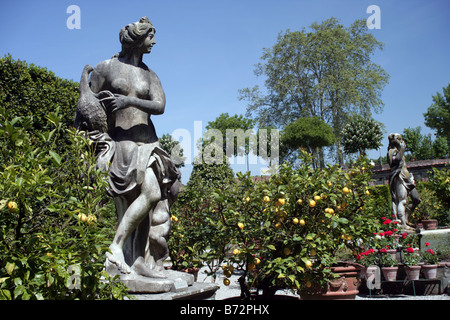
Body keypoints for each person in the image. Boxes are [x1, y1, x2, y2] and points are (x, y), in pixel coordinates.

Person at [77, 17, 180, 277]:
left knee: (153, 199)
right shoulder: (106, 68)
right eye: (150, 36)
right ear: (137, 38)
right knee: (150, 195)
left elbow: (160, 106)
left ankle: (136, 260)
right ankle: (119, 251)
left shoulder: (149, 74)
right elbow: (87, 107)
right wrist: (95, 143)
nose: (154, 42)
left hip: (149, 144)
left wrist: (128, 101)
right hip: (123, 144)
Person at [387, 133, 420, 231]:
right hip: (399, 177)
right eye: (399, 140)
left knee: (416, 199)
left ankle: (405, 218)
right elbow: (396, 160)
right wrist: (402, 149)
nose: (401, 142)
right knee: (402, 201)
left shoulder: (397, 150)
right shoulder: (392, 151)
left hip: (407, 177)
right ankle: (403, 223)